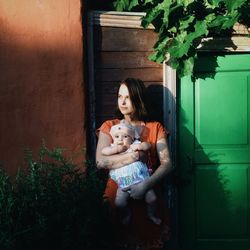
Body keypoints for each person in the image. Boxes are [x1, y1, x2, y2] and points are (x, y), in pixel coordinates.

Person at [96, 78, 172, 248]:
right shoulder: (110, 126)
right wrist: (132, 157)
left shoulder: (155, 128)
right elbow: (101, 161)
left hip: (148, 194)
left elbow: (167, 163)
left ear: (138, 99)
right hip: (118, 195)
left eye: (128, 97)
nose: (122, 102)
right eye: (119, 96)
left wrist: (145, 186)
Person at [102, 121, 161, 225]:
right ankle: (127, 213)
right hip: (124, 182)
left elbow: (148, 145)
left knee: (152, 199)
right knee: (119, 203)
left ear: (132, 138)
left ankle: (151, 214)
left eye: (125, 136)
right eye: (116, 136)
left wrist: (141, 146)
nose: (120, 139)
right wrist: (116, 149)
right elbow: (104, 152)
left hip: (141, 179)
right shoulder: (112, 148)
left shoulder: (134, 145)